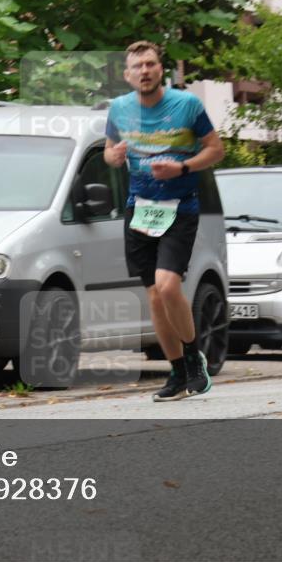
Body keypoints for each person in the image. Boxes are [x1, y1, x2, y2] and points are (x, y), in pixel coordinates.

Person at [104, 41, 225, 401]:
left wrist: (183, 167)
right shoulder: (119, 109)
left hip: (180, 205)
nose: (144, 71)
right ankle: (176, 373)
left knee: (168, 285)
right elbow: (111, 154)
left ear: (161, 70)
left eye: (151, 64)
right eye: (137, 66)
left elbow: (216, 149)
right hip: (139, 208)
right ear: (127, 75)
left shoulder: (187, 105)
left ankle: (193, 358)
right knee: (155, 297)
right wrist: (115, 154)